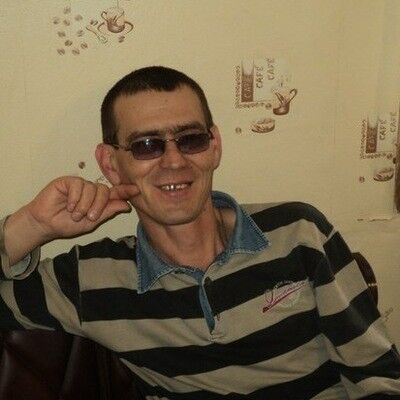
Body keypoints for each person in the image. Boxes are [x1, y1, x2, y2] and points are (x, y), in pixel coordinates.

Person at [1, 66, 400, 399]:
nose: (174, 161)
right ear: (110, 164)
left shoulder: (299, 233)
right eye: (146, 145)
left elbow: (377, 374)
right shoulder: (92, 281)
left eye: (190, 139)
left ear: (214, 146)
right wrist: (33, 225)